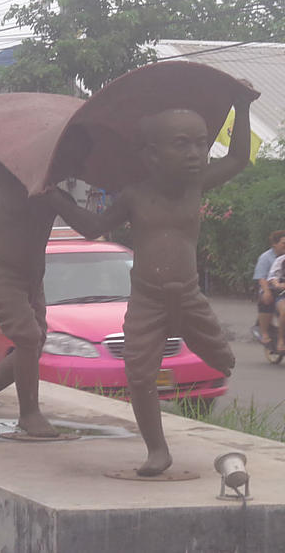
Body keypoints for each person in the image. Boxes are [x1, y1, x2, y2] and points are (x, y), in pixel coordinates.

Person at [46, 94, 254, 477]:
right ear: (152, 155)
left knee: (223, 359)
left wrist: (241, 108)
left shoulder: (196, 186)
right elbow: (92, 228)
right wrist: (57, 197)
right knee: (139, 375)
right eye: (182, 144)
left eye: (201, 143)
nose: (195, 154)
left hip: (189, 296)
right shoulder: (135, 196)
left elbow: (238, 157)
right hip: (148, 300)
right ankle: (157, 450)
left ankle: (214, 354)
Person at [0, 120, 92, 438]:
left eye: (76, 162)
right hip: (2, 276)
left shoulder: (57, 197)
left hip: (33, 281)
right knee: (29, 339)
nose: (69, 168)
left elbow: (91, 228)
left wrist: (60, 202)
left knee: (33, 345)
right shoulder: (9, 177)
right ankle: (29, 415)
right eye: (66, 158)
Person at [253, 230, 285, 353]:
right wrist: (267, 291)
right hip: (271, 289)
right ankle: (264, 332)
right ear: (275, 244)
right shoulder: (265, 258)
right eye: (284, 243)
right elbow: (261, 277)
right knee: (267, 299)